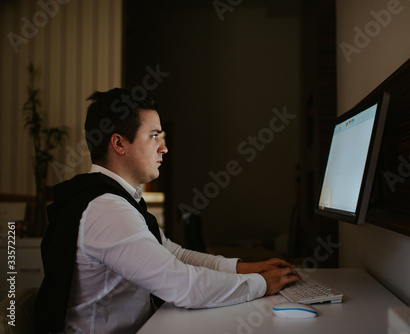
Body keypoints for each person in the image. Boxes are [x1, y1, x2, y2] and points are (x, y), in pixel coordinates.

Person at [34, 88, 300, 334]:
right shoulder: (106, 208)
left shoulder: (115, 199)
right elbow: (183, 286)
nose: (164, 147)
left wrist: (246, 268)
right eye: (154, 136)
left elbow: (176, 255)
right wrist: (262, 284)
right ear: (119, 144)